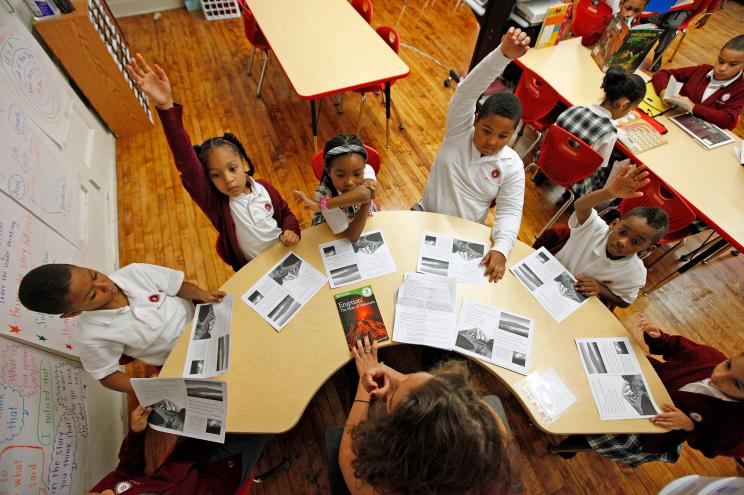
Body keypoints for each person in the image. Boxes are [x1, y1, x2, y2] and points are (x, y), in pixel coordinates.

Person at [126, 54, 301, 272]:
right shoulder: (218, 205)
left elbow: (286, 215)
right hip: (257, 274)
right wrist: (166, 107)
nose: (228, 180)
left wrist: (292, 229)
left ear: (244, 163)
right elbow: (187, 162)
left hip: (287, 258)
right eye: (215, 175)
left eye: (233, 169)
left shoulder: (265, 188)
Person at [550, 315, 744, 466]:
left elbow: (713, 446)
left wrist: (690, 426)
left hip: (652, 426)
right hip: (644, 379)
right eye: (727, 365)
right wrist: (660, 338)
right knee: (591, 370)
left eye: (736, 384)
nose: (718, 376)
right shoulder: (710, 356)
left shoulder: (735, 423)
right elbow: (677, 347)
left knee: (596, 428)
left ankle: (572, 444)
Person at [330, 337, 516, 495]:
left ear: (397, 442)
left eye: (393, 395)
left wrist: (365, 388)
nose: (399, 378)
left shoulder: (385, 487)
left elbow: (347, 457)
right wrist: (400, 380)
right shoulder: (494, 435)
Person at [419, 27, 530, 283]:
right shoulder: (459, 130)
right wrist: (503, 55)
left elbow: (510, 212)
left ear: (513, 134)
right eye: (486, 130)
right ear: (476, 120)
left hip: (466, 236)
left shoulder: (511, 166)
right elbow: (467, 90)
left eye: (503, 137)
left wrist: (501, 248)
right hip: (424, 216)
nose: (491, 142)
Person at [17, 263, 224, 393]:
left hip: (203, 319)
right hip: (182, 360)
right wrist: (148, 388)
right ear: (73, 313)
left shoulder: (134, 273)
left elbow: (178, 286)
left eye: (94, 275)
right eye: (92, 295)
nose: (107, 286)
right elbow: (108, 377)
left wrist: (201, 294)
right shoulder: (89, 337)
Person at [554, 164, 669, 308]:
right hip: (549, 274)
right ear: (614, 224)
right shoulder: (594, 229)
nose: (622, 242)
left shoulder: (635, 273)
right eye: (622, 232)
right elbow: (581, 206)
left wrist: (600, 289)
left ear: (647, 248)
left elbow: (625, 302)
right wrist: (610, 192)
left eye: (635, 242)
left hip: (571, 303)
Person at [86, 405, 271, 494]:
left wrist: (136, 433)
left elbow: (125, 471)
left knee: (229, 405)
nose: (109, 491)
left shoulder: (102, 491)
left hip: (187, 457)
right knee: (262, 421)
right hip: (219, 478)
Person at [554, 67, 645, 197]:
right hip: (573, 178)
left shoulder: (574, 109)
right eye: (632, 109)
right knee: (609, 171)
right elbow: (599, 165)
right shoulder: (609, 133)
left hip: (550, 161)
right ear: (624, 105)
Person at [293, 134, 377, 241]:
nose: (349, 182)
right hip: (336, 227)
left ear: (364, 167)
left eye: (357, 174)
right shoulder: (323, 194)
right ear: (328, 171)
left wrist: (320, 205)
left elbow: (365, 194)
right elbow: (352, 236)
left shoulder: (367, 170)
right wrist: (367, 202)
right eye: (341, 175)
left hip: (363, 217)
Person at [651, 34, 744, 130]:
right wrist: (664, 91)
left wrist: (692, 106)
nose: (722, 68)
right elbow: (663, 74)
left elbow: (728, 120)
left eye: (732, 65)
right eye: (720, 61)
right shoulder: (703, 70)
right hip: (670, 119)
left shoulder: (740, 89)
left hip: (700, 131)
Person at [645, 0, 722, 72]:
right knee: (648, 17)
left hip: (685, 7)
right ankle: (640, 47)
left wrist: (707, 15)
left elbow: (716, 1)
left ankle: (659, 54)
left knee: (671, 25)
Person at [581, 0, 650, 46]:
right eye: (628, 8)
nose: (631, 14)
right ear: (621, 4)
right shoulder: (608, 20)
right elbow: (585, 40)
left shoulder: (638, 28)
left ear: (642, 10)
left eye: (637, 11)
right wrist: (608, 27)